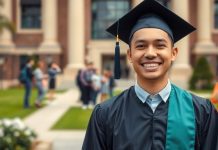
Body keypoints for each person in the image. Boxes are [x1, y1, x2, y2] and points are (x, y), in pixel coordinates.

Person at [82, 0, 218, 150]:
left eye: (160, 45)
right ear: (130, 55)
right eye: (141, 46)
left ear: (173, 53)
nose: (150, 53)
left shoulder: (201, 111)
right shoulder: (105, 114)